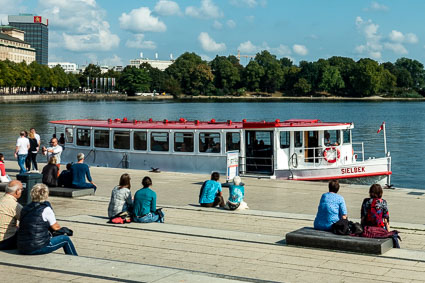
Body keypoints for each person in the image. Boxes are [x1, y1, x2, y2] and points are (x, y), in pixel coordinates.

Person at [17, 183, 78, 256]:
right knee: (65, 239)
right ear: (46, 195)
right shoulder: (46, 209)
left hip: (22, 247)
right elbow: (56, 227)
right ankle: (74, 258)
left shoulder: (25, 208)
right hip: (37, 247)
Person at [0, 180, 23, 250]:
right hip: (5, 241)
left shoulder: (1, 200)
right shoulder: (15, 206)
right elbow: (26, 221)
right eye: (22, 189)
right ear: (17, 191)